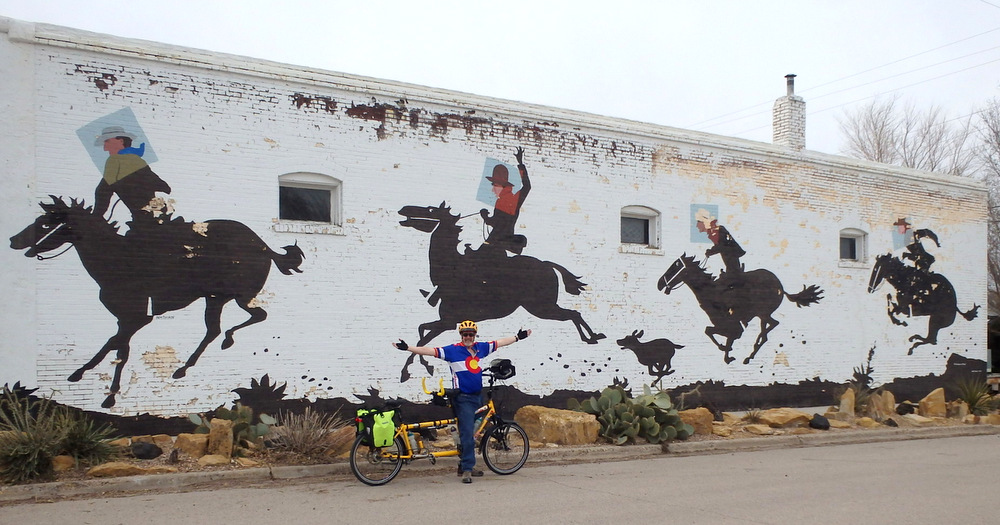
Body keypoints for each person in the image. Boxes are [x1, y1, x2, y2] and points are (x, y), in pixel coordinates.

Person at [392, 320, 530, 484]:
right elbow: (429, 351)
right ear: (461, 335)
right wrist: (408, 348)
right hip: (463, 399)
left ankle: (465, 462)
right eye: (465, 334)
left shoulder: (481, 348)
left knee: (472, 430)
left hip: (478, 396)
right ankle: (466, 469)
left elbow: (499, 343)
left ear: (474, 335)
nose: (468, 337)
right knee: (467, 434)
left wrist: (518, 337)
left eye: (471, 334)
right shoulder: (453, 351)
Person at [92, 126, 171, 224]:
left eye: (107, 141)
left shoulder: (115, 161)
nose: (105, 148)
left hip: (144, 218)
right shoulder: (135, 160)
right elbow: (159, 184)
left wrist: (96, 216)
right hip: (151, 216)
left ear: (121, 141)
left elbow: (103, 191)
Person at [480, 147, 531, 254]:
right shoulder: (500, 201)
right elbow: (497, 223)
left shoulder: (513, 199)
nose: (493, 188)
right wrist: (485, 217)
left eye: (495, 185)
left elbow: (527, 186)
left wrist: (520, 164)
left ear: (502, 186)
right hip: (496, 238)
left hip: (501, 240)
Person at [695, 209, 745, 279]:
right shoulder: (714, 231)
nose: (697, 226)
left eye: (698, 222)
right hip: (729, 256)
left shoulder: (718, 230)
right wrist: (711, 251)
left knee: (733, 274)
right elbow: (719, 245)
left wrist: (711, 251)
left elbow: (721, 245)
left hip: (731, 255)